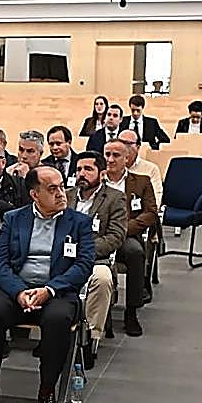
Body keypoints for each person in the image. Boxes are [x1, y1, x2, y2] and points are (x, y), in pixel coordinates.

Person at [0, 165, 95, 403]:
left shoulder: (79, 223)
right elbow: (0, 264)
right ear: (34, 194)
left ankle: (47, 390)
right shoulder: (14, 218)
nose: (61, 194)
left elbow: (83, 266)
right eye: (52, 189)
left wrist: (49, 290)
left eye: (62, 187)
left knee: (58, 320)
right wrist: (19, 292)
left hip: (56, 291)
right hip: (16, 289)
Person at [68, 151, 127, 366]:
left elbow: (115, 237)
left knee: (102, 279)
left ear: (102, 174)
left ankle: (89, 339)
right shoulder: (65, 195)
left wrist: (83, 251)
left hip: (96, 258)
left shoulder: (115, 198)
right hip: (63, 256)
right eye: (78, 169)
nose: (81, 174)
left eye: (88, 169)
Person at [103, 137, 158, 337]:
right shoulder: (96, 180)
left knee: (136, 253)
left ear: (126, 158)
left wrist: (122, 229)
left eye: (116, 155)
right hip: (99, 234)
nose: (110, 159)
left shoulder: (141, 182)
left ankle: (132, 311)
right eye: (107, 154)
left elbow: (150, 213)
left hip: (127, 234)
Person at [120, 129, 164, 204]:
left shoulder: (151, 169)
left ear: (138, 147)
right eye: (120, 143)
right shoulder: (109, 167)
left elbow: (156, 199)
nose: (123, 147)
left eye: (128, 144)